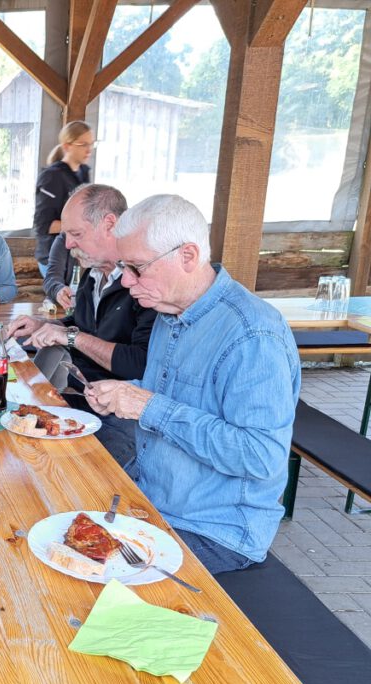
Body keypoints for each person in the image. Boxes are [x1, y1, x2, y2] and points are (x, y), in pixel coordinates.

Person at [85, 194, 300, 573]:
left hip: (215, 530)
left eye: (136, 268)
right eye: (123, 267)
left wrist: (147, 406)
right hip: (156, 500)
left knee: (83, 581)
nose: (126, 281)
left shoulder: (253, 335)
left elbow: (261, 456)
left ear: (187, 256)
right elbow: (176, 393)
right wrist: (122, 393)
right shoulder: (170, 311)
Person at [7, 184, 156, 468]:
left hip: (122, 418)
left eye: (76, 234)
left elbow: (140, 363)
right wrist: (44, 325)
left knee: (53, 469)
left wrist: (70, 336)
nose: (67, 245)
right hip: (81, 400)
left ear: (109, 225)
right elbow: (81, 325)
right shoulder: (93, 274)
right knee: (11, 426)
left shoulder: (143, 282)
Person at [33, 120, 92, 274]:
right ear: (67, 146)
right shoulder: (51, 177)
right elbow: (43, 225)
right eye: (83, 144)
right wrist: (84, 227)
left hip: (75, 257)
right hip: (53, 258)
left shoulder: (84, 173)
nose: (89, 149)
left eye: (91, 144)